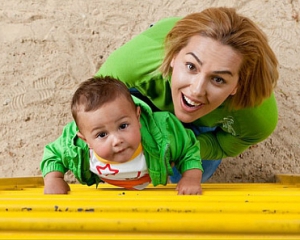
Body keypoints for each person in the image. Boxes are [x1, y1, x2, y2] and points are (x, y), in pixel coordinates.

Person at [95, 7, 279, 182]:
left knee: (193, 173)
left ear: (237, 86)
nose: (196, 90)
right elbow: (93, 111)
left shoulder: (257, 119)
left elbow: (222, 145)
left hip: (208, 117)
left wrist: (184, 147)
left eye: (218, 79)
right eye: (191, 67)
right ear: (174, 56)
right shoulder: (130, 67)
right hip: (151, 84)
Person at [41, 76, 203, 195]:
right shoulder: (75, 145)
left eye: (123, 126)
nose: (117, 140)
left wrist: (191, 177)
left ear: (137, 118)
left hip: (151, 173)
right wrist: (54, 179)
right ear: (86, 140)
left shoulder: (164, 132)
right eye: (102, 134)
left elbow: (188, 147)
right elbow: (53, 153)